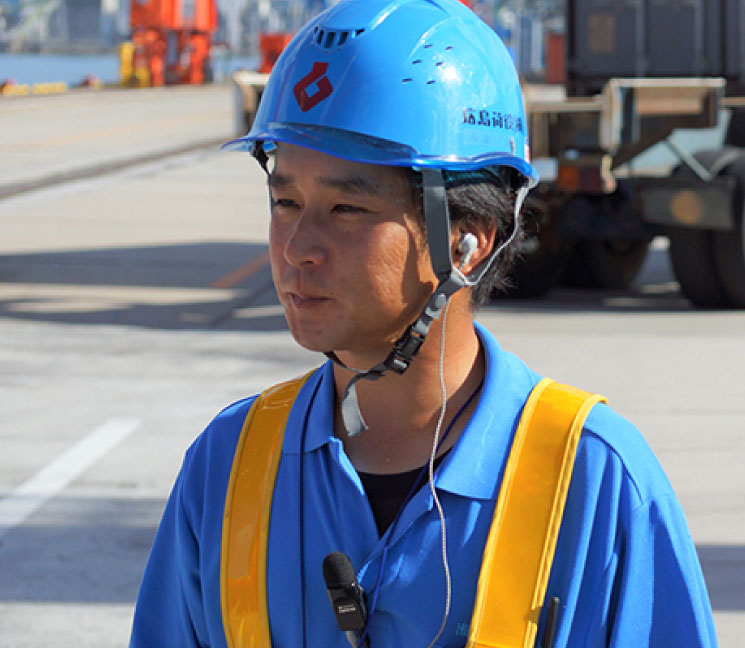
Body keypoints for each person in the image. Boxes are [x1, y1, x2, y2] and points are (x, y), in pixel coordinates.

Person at [129, 1, 718, 646]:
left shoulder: (594, 484)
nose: (297, 247)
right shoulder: (228, 466)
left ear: (469, 239)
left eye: (346, 208)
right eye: (285, 201)